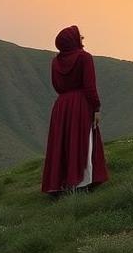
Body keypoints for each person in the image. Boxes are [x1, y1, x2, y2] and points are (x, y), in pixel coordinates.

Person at [41, 25, 108, 195]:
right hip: (80, 104)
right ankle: (82, 183)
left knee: (62, 143)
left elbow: (56, 85)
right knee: (82, 141)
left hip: (61, 105)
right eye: (80, 37)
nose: (82, 39)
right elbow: (89, 86)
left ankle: (60, 184)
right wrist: (96, 108)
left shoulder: (55, 62)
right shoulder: (84, 58)